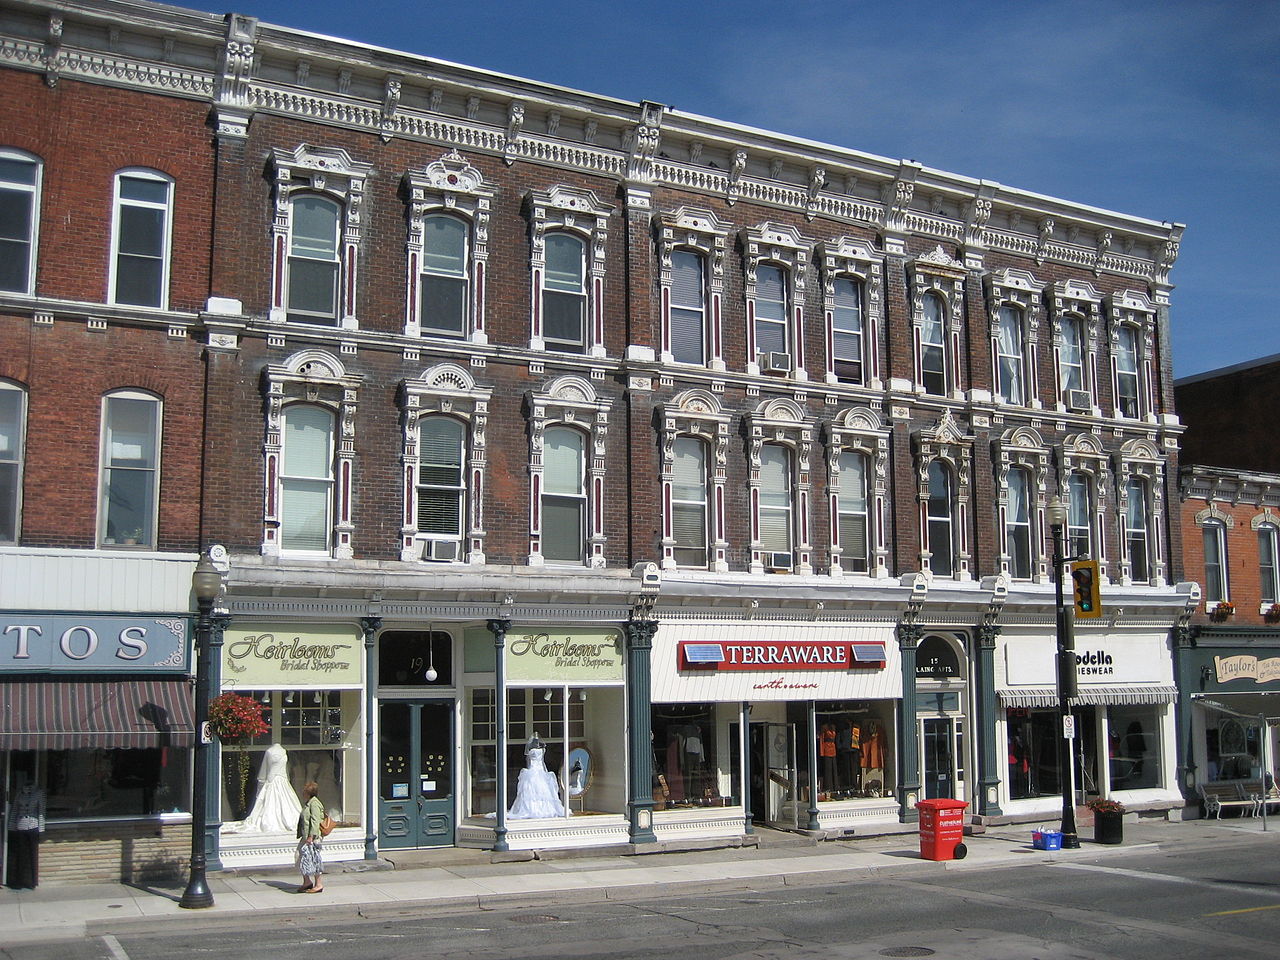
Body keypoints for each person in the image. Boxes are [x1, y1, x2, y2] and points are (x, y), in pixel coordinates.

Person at [225, 743, 302, 834]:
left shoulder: (283, 751)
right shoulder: (269, 752)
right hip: (272, 780)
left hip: (282, 780)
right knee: (269, 802)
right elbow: (266, 768)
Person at [508, 734, 566, 819]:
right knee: (532, 791)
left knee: (541, 791)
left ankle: (541, 809)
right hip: (535, 770)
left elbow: (537, 761)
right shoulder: (540, 749)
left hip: (538, 769)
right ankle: (532, 809)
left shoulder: (535, 749)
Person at [7, 773, 45, 889]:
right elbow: (15, 810)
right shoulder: (19, 794)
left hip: (33, 826)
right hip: (21, 826)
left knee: (33, 855)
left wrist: (41, 828)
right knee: (21, 855)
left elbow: (41, 811)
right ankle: (19, 880)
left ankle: (33, 881)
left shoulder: (39, 794)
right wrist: (11, 826)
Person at [296, 781, 325, 893]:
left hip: (312, 837)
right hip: (306, 836)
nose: (303, 794)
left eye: (304, 792)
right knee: (301, 858)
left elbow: (315, 820)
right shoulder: (309, 803)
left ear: (308, 793)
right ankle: (307, 881)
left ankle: (318, 884)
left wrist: (311, 836)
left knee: (314, 859)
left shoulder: (314, 804)